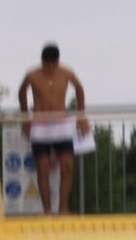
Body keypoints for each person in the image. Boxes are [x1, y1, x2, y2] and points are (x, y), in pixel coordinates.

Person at [19, 44, 87, 216]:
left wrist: (81, 116)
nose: (49, 68)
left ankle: (63, 208)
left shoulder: (66, 73)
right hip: (40, 124)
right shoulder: (32, 75)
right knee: (43, 167)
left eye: (52, 64)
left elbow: (79, 89)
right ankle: (47, 210)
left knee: (67, 166)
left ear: (57, 62)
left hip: (61, 123)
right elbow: (21, 92)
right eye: (46, 64)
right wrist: (25, 117)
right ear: (42, 61)